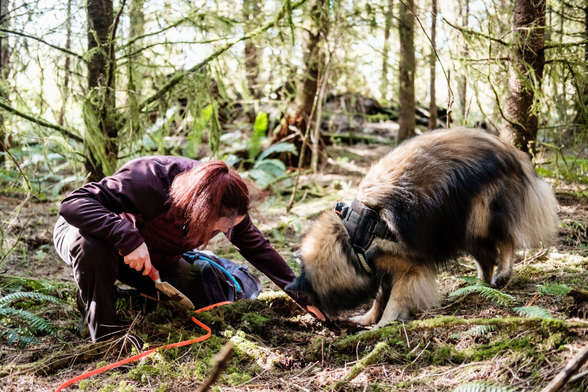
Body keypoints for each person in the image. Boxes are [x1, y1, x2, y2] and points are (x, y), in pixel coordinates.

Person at [53, 156, 324, 343]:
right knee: (93, 248)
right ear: (201, 211)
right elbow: (73, 204)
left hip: (155, 261)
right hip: (95, 237)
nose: (220, 232)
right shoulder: (149, 179)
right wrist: (126, 236)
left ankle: (122, 299)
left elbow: (258, 249)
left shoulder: (228, 202)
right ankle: (106, 334)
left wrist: (304, 296)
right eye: (217, 228)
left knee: (204, 298)